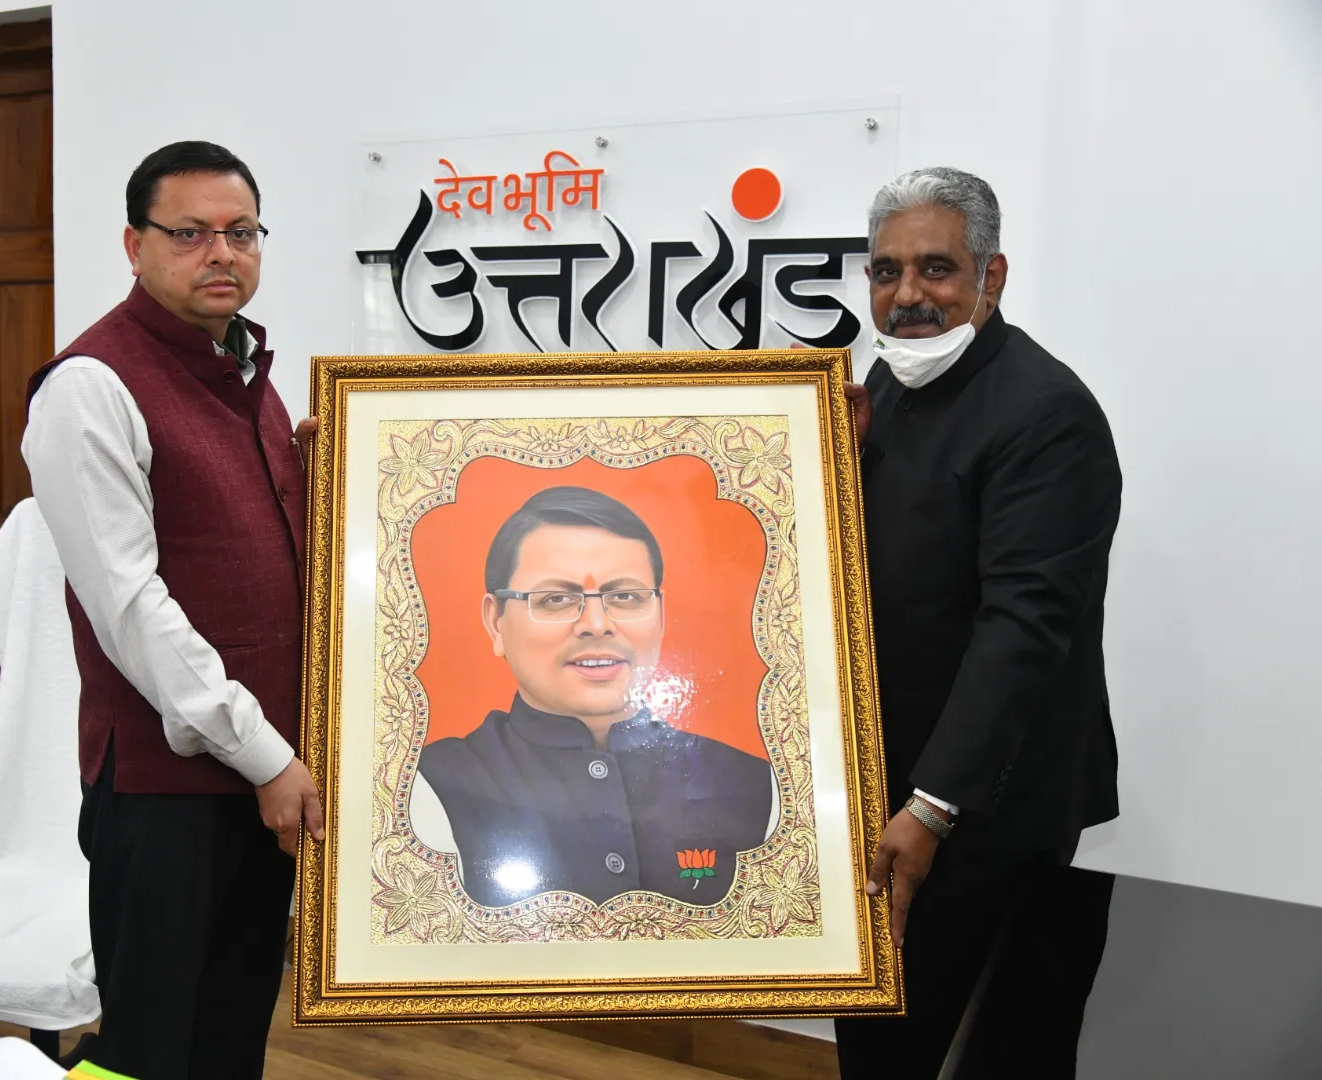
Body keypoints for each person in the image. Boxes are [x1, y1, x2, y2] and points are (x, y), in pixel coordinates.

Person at [21, 141, 322, 1080]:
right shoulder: (89, 388)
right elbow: (131, 609)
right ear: (134, 244)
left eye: (241, 232)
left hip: (262, 775)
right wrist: (268, 756)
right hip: (166, 793)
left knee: (230, 1035)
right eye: (189, 233)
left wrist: (335, 473)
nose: (220, 253)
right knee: (146, 1052)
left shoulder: (247, 372)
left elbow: (243, 549)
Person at [831, 167, 1122, 1079]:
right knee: (880, 1044)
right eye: (886, 272)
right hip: (897, 788)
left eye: (936, 268)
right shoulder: (893, 382)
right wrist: (835, 464)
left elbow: (1023, 629)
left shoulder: (1048, 414)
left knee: (994, 1054)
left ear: (990, 277)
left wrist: (932, 805)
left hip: (990, 810)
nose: (907, 295)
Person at [413, 485, 776, 908]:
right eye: (556, 599)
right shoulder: (428, 789)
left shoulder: (759, 789)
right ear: (496, 622)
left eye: (625, 596)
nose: (597, 624)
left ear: (660, 615)